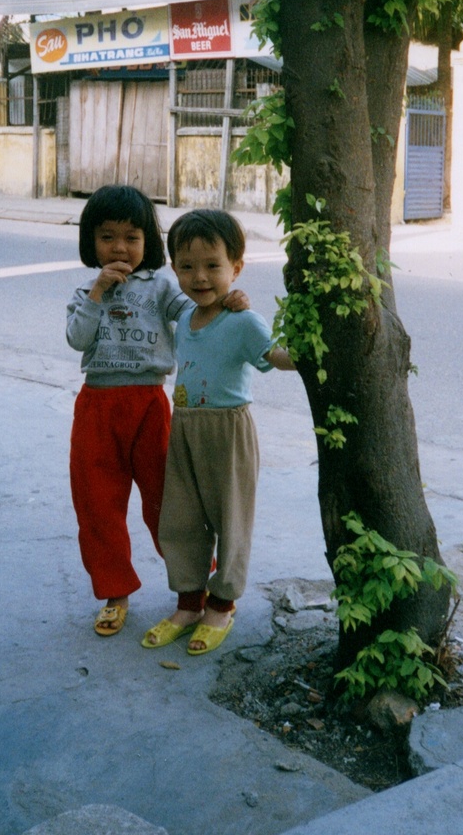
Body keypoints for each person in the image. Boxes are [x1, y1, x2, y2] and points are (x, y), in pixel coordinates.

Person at [66, 185, 246, 637]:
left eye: (132, 236)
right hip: (97, 406)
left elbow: (198, 311)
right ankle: (114, 592)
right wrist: (97, 292)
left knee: (170, 503)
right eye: (108, 237)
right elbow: (77, 339)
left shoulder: (163, 285)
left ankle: (197, 587)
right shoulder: (86, 291)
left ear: (149, 241)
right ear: (91, 241)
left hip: (149, 403)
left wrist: (230, 301)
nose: (120, 247)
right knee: (97, 504)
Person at [142, 209, 295, 656]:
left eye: (213, 266)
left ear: (236, 268)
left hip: (229, 433)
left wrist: (309, 351)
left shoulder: (242, 321)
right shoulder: (186, 318)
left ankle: (222, 604)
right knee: (181, 522)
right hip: (185, 430)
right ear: (174, 270)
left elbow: (274, 356)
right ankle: (189, 602)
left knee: (232, 521)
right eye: (187, 267)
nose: (200, 277)